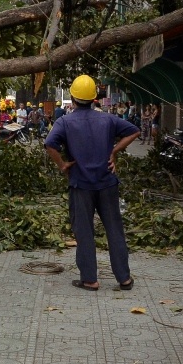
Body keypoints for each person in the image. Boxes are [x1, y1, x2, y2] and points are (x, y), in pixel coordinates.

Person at [44, 74, 139, 292]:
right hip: (107, 183)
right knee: (114, 229)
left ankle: (90, 279)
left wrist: (63, 165)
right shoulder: (107, 119)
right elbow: (135, 131)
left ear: (73, 98)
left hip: (81, 185)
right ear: (95, 98)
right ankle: (124, 279)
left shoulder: (65, 122)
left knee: (84, 231)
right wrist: (114, 151)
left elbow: (50, 144)